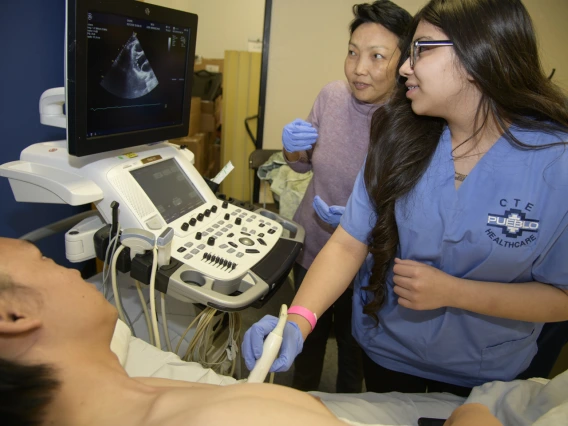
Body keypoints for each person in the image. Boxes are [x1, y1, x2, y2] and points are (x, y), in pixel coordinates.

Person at [243, 0, 568, 398]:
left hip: (485, 374)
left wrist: (455, 292)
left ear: (478, 52)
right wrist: (297, 320)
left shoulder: (556, 161)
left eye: (421, 49)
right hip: (388, 354)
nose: (403, 68)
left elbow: (562, 296)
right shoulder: (398, 134)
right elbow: (348, 242)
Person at [0, 236, 509, 426]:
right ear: (14, 317)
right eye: (44, 258)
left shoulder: (118, 387)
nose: (71, 271)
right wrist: (474, 417)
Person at [272, 0, 412, 393]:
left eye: (376, 56)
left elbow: (411, 204)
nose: (358, 68)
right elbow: (303, 165)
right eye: (352, 52)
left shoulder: (410, 119)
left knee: (353, 352)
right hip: (313, 245)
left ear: (403, 64)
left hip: (366, 262)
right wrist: (292, 150)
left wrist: (361, 224)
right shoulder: (331, 96)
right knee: (305, 342)